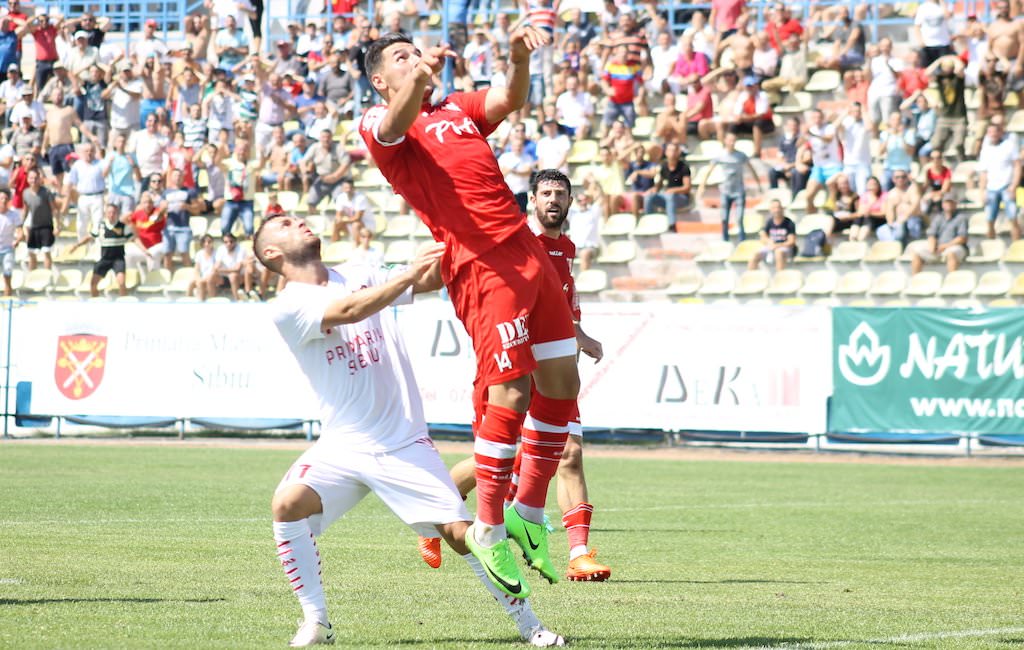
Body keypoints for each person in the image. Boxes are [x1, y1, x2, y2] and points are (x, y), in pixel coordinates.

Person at [252, 214, 565, 647]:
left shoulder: (360, 271)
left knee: (462, 537)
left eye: (298, 217)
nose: (300, 222)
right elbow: (350, 309)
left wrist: (461, 245)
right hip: (342, 444)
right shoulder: (286, 306)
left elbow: (429, 280)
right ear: (272, 253)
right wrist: (405, 274)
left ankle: (531, 625)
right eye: (285, 224)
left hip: (402, 442)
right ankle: (316, 621)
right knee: (286, 505)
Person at [360, 31, 582, 599]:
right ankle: (487, 526)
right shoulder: (381, 122)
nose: (415, 60)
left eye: (417, 51)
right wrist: (419, 75)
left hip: (525, 250)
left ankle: (528, 513)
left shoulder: (454, 108)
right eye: (401, 58)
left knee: (560, 380)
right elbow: (399, 112)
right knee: (509, 394)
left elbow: (509, 99)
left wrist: (520, 58)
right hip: (481, 266)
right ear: (381, 80)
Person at [420, 170, 611, 582]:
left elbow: (556, 306)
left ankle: (579, 553)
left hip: (557, 369)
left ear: (571, 200)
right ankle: (436, 516)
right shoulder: (522, 243)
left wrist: (578, 334)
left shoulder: (565, 247)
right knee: (504, 460)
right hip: (520, 367)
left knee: (570, 454)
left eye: (561, 193)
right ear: (532, 201)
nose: (553, 199)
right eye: (546, 193)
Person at [697, 131, 763, 241]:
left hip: (739, 190)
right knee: (724, 218)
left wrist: (758, 183)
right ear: (725, 141)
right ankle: (725, 240)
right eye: (730, 140)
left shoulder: (740, 155)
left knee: (739, 217)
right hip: (725, 190)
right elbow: (709, 170)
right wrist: (702, 186)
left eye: (734, 140)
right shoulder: (721, 155)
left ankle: (742, 240)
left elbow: (751, 169)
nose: (732, 143)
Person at [68, 202, 136, 297]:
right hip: (105, 259)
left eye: (113, 212)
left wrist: (145, 250)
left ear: (117, 213)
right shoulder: (100, 226)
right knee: (93, 283)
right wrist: (76, 245)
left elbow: (134, 239)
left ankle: (123, 304)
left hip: (118, 259)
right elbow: (89, 237)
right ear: (105, 214)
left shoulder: (123, 226)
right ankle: (95, 302)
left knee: (121, 283)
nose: (111, 215)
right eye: (109, 212)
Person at [978, 122, 1022, 241]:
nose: (993, 134)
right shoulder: (985, 149)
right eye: (990, 132)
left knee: (1013, 218)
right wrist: (982, 191)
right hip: (991, 187)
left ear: (1000, 132)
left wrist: (1013, 186)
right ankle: (991, 244)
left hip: (1007, 186)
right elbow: (983, 172)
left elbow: (1017, 166)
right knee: (989, 220)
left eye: (995, 131)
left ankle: (1016, 245)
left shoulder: (1009, 145)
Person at [908, 194, 968, 273]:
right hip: (938, 247)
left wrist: (945, 246)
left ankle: (952, 280)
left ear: (955, 204)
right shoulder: (938, 217)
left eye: (951, 202)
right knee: (917, 253)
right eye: (947, 202)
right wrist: (932, 247)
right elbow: (931, 234)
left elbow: (962, 238)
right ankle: (915, 280)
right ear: (943, 204)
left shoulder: (961, 218)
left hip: (955, 246)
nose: (949, 204)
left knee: (951, 254)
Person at [63, 141, 106, 241]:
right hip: (83, 197)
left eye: (91, 151)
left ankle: (98, 245)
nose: (89, 153)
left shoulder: (100, 164)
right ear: (82, 153)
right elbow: (71, 182)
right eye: (86, 151)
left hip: (97, 196)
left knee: (98, 222)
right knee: (81, 223)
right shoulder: (77, 165)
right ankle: (81, 243)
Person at [644, 141, 690, 226]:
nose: (671, 153)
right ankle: (649, 223)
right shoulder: (664, 166)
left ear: (678, 152)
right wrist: (654, 189)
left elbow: (687, 188)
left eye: (674, 150)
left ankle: (671, 224)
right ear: (666, 152)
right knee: (649, 197)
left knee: (670, 196)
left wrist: (673, 190)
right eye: (669, 150)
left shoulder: (684, 167)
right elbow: (660, 184)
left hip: (681, 198)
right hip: (667, 196)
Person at [21, 167, 58, 271]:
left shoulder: (46, 192)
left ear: (39, 179)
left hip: (46, 226)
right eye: (31, 178)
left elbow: (54, 209)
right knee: (31, 252)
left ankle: (48, 275)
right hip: (34, 226)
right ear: (28, 179)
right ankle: (31, 276)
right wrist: (20, 225)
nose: (33, 180)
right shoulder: (26, 193)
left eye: (35, 178)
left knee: (46, 252)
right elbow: (25, 210)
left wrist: (57, 225)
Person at [749, 199, 796, 271]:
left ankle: (779, 277)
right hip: (771, 247)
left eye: (778, 207)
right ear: (770, 210)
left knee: (778, 253)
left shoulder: (789, 223)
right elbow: (763, 237)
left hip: (785, 248)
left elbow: (791, 242)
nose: (776, 210)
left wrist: (778, 245)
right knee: (755, 255)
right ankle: (751, 277)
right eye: (774, 208)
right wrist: (769, 242)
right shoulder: (769, 222)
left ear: (782, 209)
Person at [212, 232, 255, 301]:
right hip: (225, 277)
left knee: (233, 276)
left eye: (231, 241)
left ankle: (237, 300)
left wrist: (220, 270)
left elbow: (237, 269)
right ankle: (212, 299)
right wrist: (216, 269)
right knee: (210, 276)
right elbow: (216, 266)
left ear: (235, 241)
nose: (228, 244)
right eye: (226, 242)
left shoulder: (241, 249)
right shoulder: (221, 249)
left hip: (240, 277)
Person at [0, 188, 21, 296]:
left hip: (7, 248)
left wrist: (17, 240)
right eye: (1, 198)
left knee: (7, 273)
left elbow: (19, 230)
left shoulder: (13, 215)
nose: (3, 201)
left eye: (5, 199)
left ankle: (7, 296)